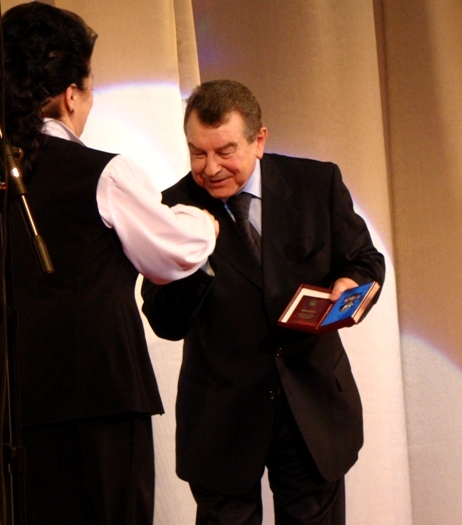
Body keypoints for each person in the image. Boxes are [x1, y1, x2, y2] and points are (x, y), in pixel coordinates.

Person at [0, 3, 218, 524]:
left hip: (3, 404)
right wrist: (203, 221)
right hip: (95, 398)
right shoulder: (106, 174)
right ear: (71, 93)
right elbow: (172, 254)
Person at [141, 79, 386, 525]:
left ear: (259, 140)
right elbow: (164, 321)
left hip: (311, 412)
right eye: (197, 153)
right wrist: (196, 258)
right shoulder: (172, 209)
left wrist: (349, 285)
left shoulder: (316, 183)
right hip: (221, 421)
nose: (210, 168)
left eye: (225, 151)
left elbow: (366, 260)